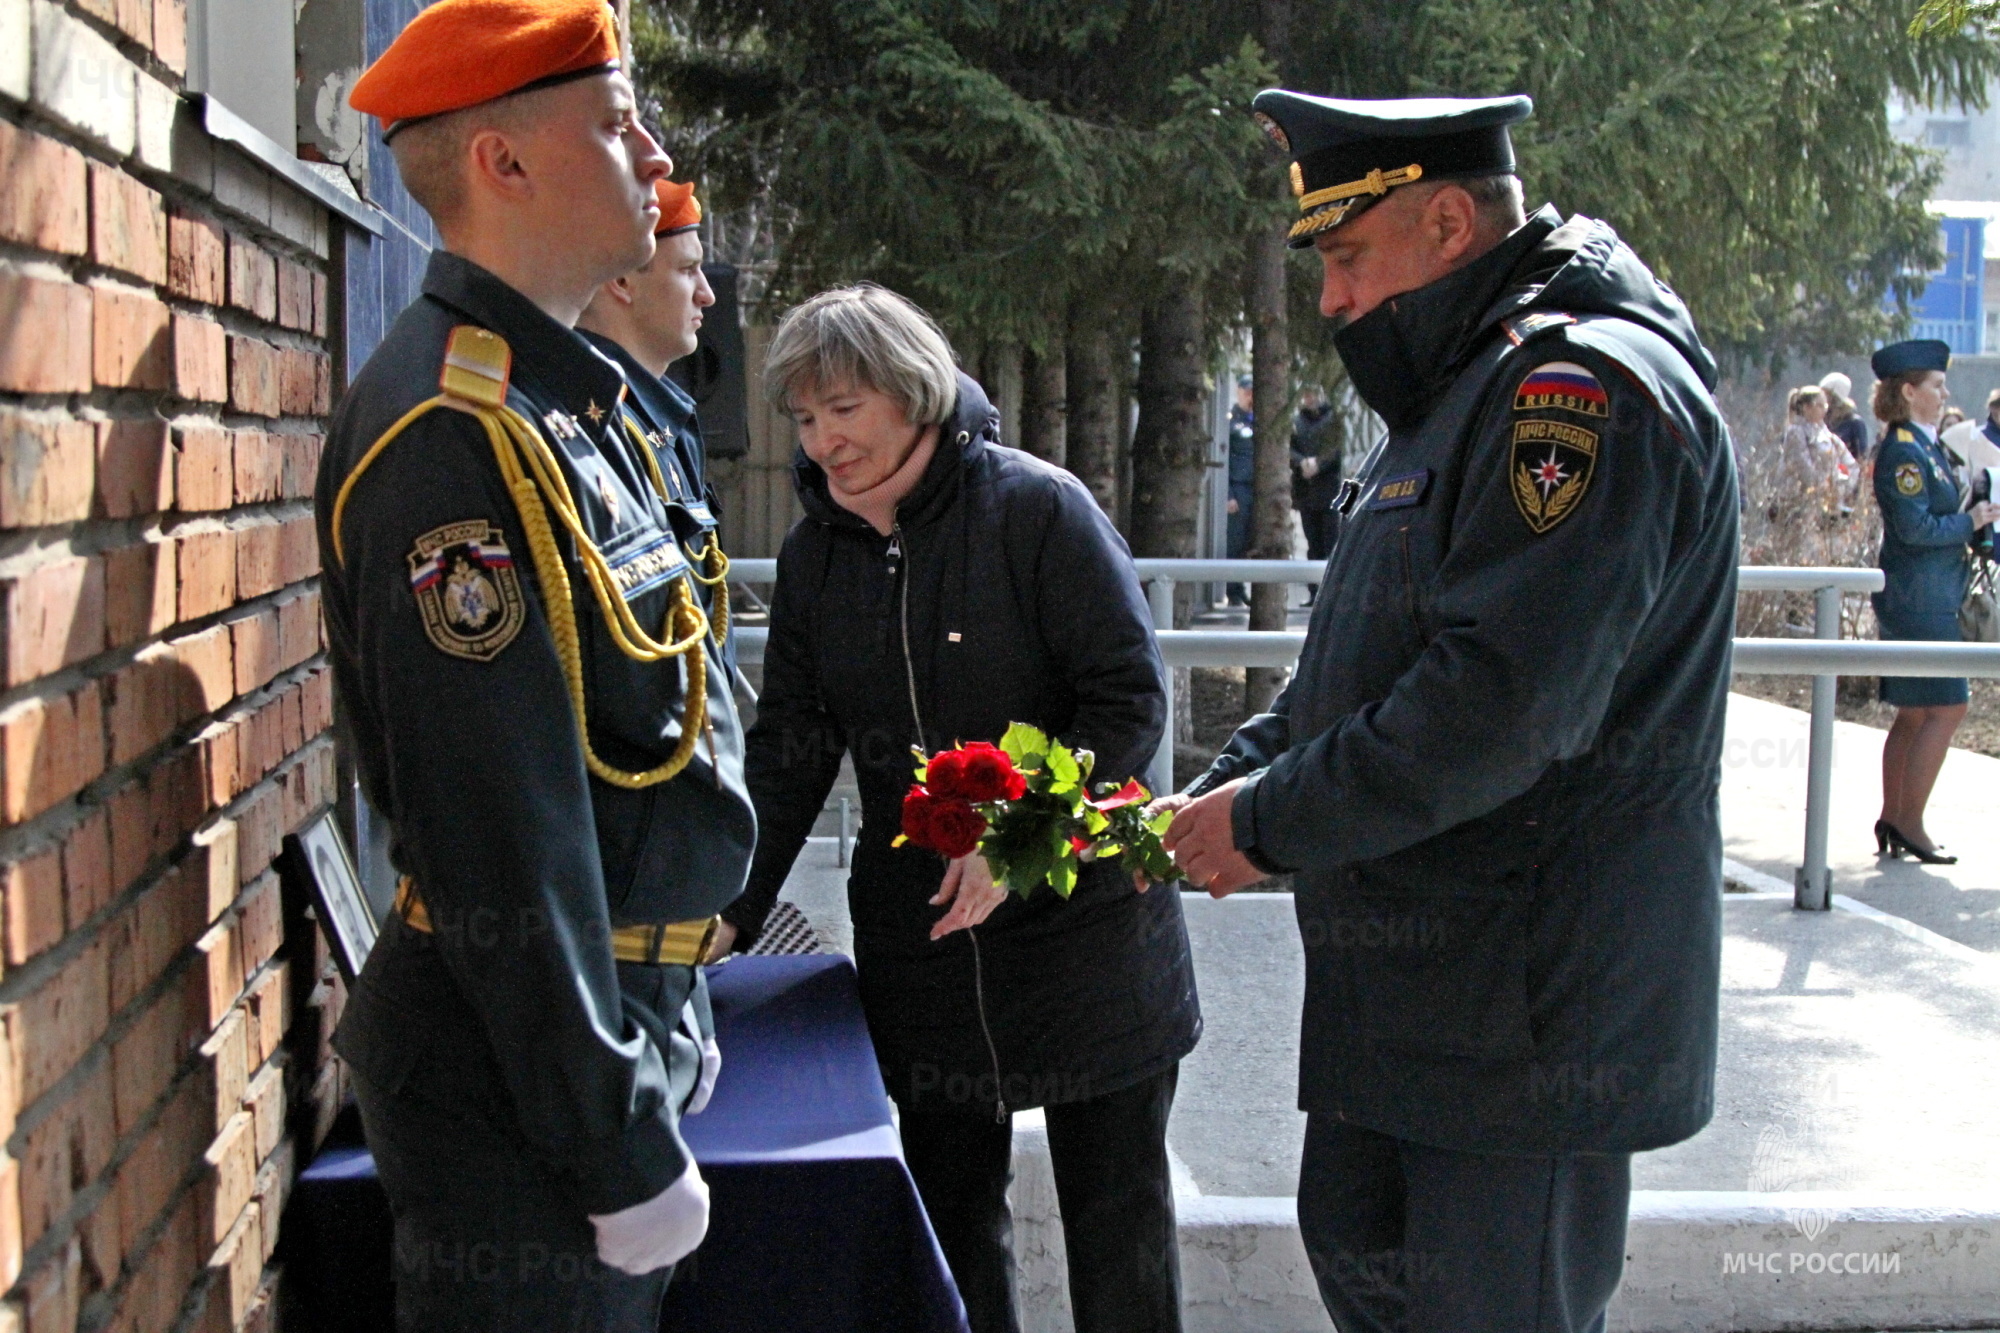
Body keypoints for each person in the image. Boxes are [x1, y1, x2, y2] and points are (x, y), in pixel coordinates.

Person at [1166, 91, 1739, 1333]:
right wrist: (1236, 782)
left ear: (1443, 222)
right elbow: (1366, 667)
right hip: (1417, 1007)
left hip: (1526, 1019)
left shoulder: (1575, 392)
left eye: (1347, 257)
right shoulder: (1461, 387)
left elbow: (1499, 704)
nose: (1329, 302)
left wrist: (1268, 820)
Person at [318, 3, 754, 1327]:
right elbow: (501, 829)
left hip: (607, 1026)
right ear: (504, 164)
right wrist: (611, 1130)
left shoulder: (563, 403)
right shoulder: (461, 434)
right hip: (527, 1086)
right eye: (616, 126)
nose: (650, 149)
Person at [719, 284, 1199, 1333]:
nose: (821, 440)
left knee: (1117, 1231)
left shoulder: (1035, 509)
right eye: (803, 418)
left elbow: (1126, 697)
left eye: (841, 408)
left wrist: (1019, 837)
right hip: (924, 943)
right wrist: (731, 905)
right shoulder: (813, 556)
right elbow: (790, 750)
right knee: (948, 1224)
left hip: (1087, 938)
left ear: (909, 393)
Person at [575, 178, 735, 688]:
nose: (707, 294)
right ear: (622, 280)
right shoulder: (593, 425)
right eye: (688, 270)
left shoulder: (663, 417)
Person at [1867, 340, 1999, 864]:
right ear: (1909, 391)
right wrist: (1973, 521)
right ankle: (1910, 821)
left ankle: (1895, 817)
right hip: (1919, 597)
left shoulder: (1925, 445)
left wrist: (1973, 510)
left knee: (1918, 713)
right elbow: (1914, 527)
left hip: (1929, 591)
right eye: (1937, 386)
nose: (1946, 394)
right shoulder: (1904, 451)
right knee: (1949, 705)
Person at [1291, 384, 1342, 601]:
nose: (1308, 398)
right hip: (1305, 492)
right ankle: (1314, 593)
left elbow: (1336, 450)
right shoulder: (1296, 421)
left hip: (1328, 490)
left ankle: (1330, 593)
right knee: (1312, 544)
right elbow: (1288, 447)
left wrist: (1318, 464)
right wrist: (1301, 462)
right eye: (1305, 394)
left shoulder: (1332, 419)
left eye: (1312, 394)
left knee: (1330, 541)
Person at [1781, 385, 1850, 516]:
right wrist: (1821, 485)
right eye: (1819, 405)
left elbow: (1847, 461)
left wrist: (1842, 483)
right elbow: (1802, 466)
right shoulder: (1796, 432)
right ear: (1806, 407)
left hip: (1824, 503)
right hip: (1800, 503)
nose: (1824, 409)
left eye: (1825, 405)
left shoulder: (1826, 433)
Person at [1226, 373, 1257, 604]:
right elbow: (1224, 459)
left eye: (1252, 392)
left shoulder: (1260, 419)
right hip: (1239, 489)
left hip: (1258, 490)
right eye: (1246, 391)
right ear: (1239, 392)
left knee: (1251, 541)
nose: (1250, 396)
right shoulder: (1231, 421)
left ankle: (1244, 588)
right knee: (1235, 543)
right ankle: (1234, 590)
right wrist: (1228, 494)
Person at [1821, 371, 1870, 462]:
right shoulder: (1822, 420)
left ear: (1835, 396)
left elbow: (1862, 455)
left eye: (1825, 393)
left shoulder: (1854, 423)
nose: (1821, 397)